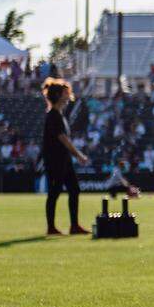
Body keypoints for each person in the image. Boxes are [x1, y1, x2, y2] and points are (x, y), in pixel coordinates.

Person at [40, 78, 90, 235]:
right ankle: (51, 227)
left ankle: (74, 225)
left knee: (74, 189)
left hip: (64, 160)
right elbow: (63, 139)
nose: (68, 95)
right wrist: (79, 155)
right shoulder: (53, 115)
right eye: (65, 93)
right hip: (55, 160)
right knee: (54, 192)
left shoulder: (59, 115)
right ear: (59, 95)